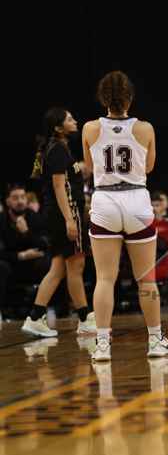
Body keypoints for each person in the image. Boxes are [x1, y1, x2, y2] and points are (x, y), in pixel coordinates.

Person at [82, 71, 168, 361]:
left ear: (103, 99)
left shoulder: (89, 128)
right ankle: (155, 340)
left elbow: (89, 167)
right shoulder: (145, 128)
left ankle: (102, 345)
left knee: (104, 279)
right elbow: (149, 167)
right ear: (130, 98)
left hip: (105, 200)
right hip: (136, 199)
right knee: (146, 280)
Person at [22, 108, 95, 338]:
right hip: (65, 214)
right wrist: (70, 220)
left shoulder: (58, 148)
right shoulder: (57, 150)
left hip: (58, 215)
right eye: (70, 119)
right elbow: (58, 187)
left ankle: (35, 317)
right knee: (76, 267)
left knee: (58, 269)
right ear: (58, 127)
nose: (75, 121)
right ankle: (85, 318)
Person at [0, 184, 49, 315]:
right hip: (11, 263)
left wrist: (26, 232)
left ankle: (44, 308)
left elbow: (44, 244)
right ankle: (4, 310)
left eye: (23, 197)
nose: (20, 201)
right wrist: (20, 256)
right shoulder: (2, 220)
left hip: (32, 263)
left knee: (47, 262)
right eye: (15, 198)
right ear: (7, 201)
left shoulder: (34, 217)